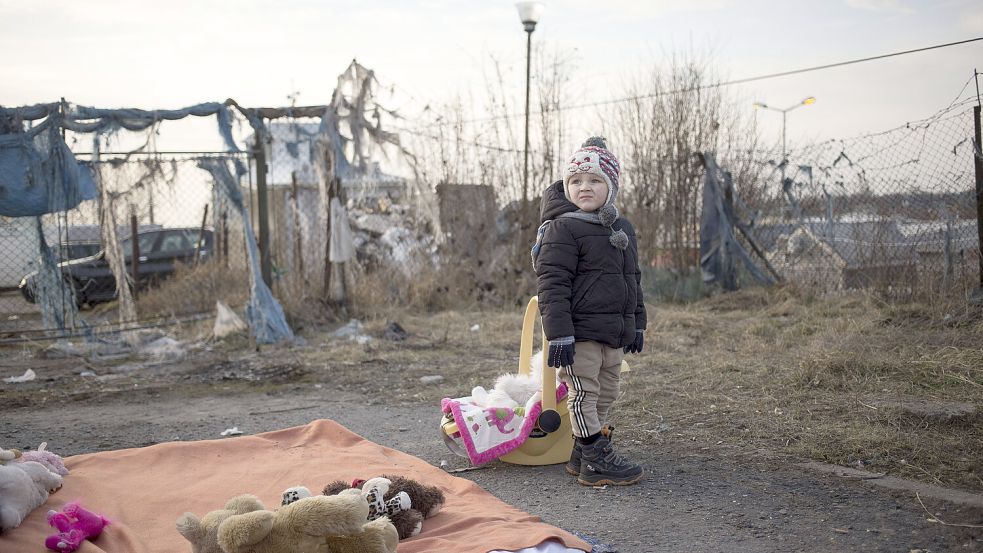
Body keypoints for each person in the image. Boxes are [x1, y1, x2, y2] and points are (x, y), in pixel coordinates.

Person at [531, 136, 646, 486]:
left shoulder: (622, 229)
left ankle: (580, 453)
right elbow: (552, 284)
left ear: (611, 187)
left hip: (613, 332)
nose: (584, 187)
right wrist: (560, 335)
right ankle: (595, 457)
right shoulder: (563, 228)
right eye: (576, 181)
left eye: (595, 180)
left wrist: (637, 324)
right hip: (578, 333)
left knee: (609, 390)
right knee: (584, 391)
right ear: (567, 187)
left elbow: (632, 279)